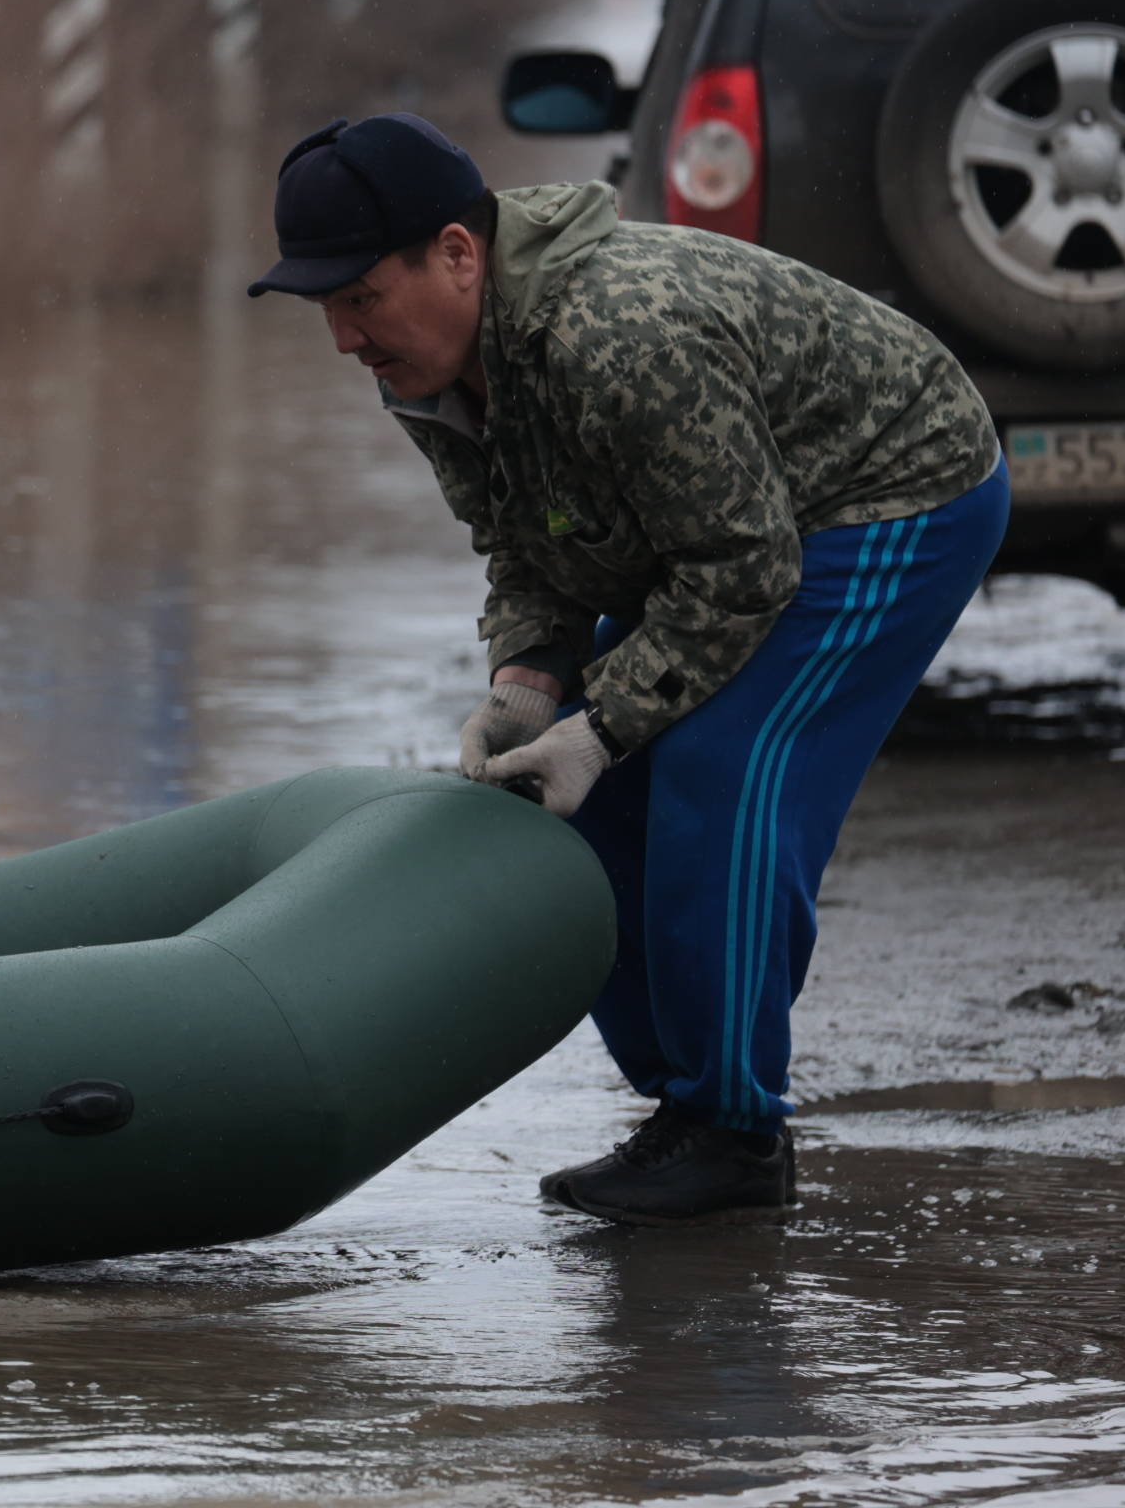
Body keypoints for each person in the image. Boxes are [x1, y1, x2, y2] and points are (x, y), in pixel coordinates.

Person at [249, 114, 1005, 1226]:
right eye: (325, 308)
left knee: (719, 762)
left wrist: (604, 722)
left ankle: (737, 1134)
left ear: (458, 254)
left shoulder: (621, 336)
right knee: (584, 797)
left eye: (359, 297)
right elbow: (525, 539)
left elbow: (745, 572)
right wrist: (530, 685)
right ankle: (682, 1107)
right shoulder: (425, 364)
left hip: (887, 489)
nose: (344, 337)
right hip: (728, 523)